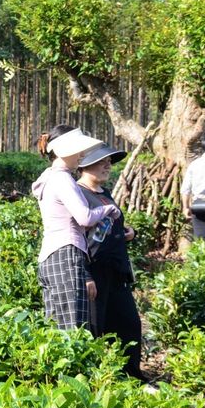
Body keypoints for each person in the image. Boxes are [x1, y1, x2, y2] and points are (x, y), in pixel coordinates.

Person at [31, 125, 120, 330]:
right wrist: (108, 210)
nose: (82, 155)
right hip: (66, 254)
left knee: (55, 327)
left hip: (50, 257)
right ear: (64, 150)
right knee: (73, 329)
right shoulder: (62, 178)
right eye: (78, 150)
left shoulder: (47, 177)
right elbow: (85, 217)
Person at [77, 145, 144, 380]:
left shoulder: (104, 192)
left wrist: (128, 232)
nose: (108, 166)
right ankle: (97, 380)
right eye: (101, 162)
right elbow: (77, 235)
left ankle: (132, 376)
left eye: (109, 162)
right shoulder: (78, 193)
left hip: (117, 270)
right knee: (95, 328)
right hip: (94, 270)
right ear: (84, 166)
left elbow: (109, 224)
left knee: (129, 324)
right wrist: (85, 275)